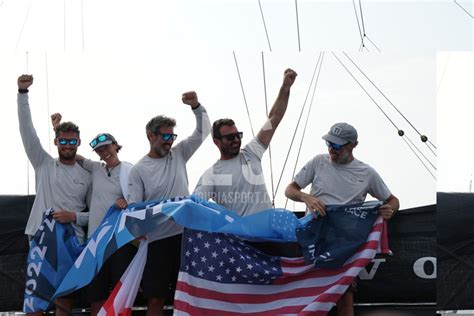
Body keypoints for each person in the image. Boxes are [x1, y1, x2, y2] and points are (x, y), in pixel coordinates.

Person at [284, 122, 400, 316]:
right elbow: (290, 189)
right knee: (306, 296)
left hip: (341, 245)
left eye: (337, 145)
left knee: (344, 298)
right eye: (329, 143)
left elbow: (392, 200)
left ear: (353, 145)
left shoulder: (367, 173)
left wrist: (390, 210)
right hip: (312, 239)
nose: (331, 149)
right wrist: (307, 197)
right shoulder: (318, 162)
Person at [127, 91, 211, 316]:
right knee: (156, 298)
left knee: (189, 295)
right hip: (158, 242)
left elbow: (203, 131)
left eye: (172, 136)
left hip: (186, 237)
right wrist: (139, 238)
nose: (169, 141)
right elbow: (133, 210)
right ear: (150, 136)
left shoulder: (180, 153)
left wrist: (196, 106)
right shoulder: (138, 170)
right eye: (164, 136)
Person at [17, 75, 92, 316]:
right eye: (63, 141)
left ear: (79, 142)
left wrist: (73, 216)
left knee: (65, 301)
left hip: (73, 240)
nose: (68, 145)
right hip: (41, 238)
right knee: (35, 301)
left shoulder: (89, 175)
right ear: (56, 142)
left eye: (72, 141)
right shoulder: (44, 164)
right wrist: (22, 94)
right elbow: (27, 131)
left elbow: (94, 214)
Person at [51, 114, 136, 316]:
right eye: (99, 149)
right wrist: (55, 128)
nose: (104, 152)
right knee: (95, 295)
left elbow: (138, 203)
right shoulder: (96, 168)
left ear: (116, 146)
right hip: (95, 244)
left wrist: (126, 203)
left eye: (107, 147)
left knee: (120, 292)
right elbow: (70, 152)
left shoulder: (130, 171)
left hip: (118, 242)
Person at [194, 68, 297, 216]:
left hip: (268, 234)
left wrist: (285, 87)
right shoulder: (212, 175)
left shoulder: (252, 152)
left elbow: (274, 118)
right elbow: (196, 206)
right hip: (240, 238)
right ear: (216, 142)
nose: (236, 140)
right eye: (230, 137)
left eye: (238, 135)